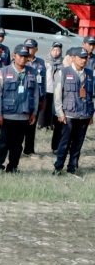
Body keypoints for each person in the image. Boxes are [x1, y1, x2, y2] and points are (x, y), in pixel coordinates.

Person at [0, 45, 38, 173]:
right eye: (20, 56)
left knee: (17, 144)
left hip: (24, 115)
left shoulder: (32, 72)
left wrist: (34, 113)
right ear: (14, 56)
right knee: (3, 142)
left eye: (25, 56)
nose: (23, 59)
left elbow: (35, 94)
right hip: (7, 115)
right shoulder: (3, 72)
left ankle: (13, 166)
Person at [53, 47, 94, 175]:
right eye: (81, 58)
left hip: (84, 114)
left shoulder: (89, 73)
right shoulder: (63, 72)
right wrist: (60, 113)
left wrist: (91, 114)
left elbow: (90, 95)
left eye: (85, 58)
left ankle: (72, 168)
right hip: (69, 115)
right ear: (73, 58)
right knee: (64, 143)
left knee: (78, 144)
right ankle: (58, 167)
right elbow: (57, 95)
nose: (84, 60)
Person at [22, 38, 46, 157]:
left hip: (36, 98)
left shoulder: (41, 62)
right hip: (23, 97)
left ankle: (29, 150)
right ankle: (15, 149)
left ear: (36, 49)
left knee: (32, 125)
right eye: (26, 47)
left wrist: (43, 98)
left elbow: (43, 81)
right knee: (20, 125)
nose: (28, 49)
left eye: (31, 47)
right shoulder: (20, 60)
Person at [46, 41, 65, 150]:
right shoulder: (46, 62)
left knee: (56, 111)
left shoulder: (63, 63)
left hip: (57, 91)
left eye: (58, 50)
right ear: (51, 50)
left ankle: (53, 124)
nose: (56, 52)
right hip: (47, 90)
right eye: (54, 49)